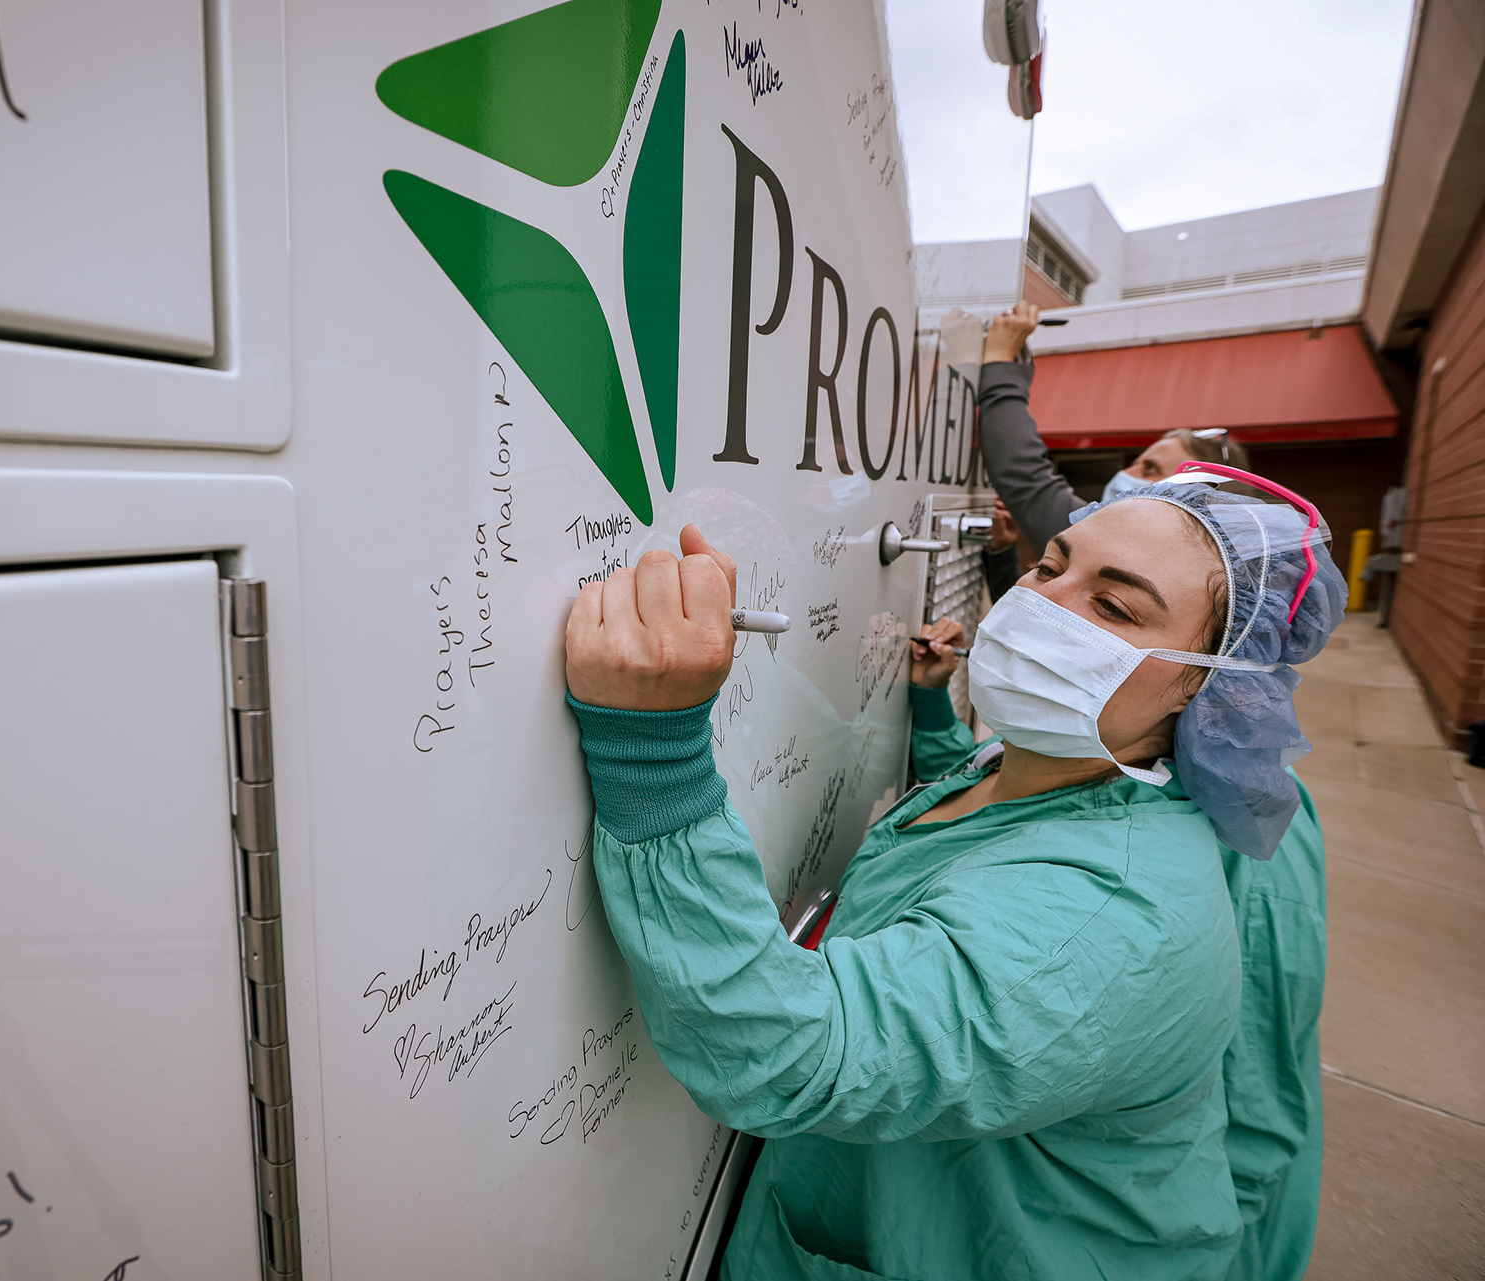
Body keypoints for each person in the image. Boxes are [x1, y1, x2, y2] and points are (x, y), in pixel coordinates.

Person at [563, 472, 1345, 1280]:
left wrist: (652, 752)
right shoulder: (1045, 761)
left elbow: (790, 1053)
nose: (1042, 604)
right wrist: (933, 710)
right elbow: (985, 837)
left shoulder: (1115, 916)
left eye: (1113, 606)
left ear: (1207, 689)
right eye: (1050, 566)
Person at [978, 303, 1324, 1281]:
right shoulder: (1194, 779)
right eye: (1051, 567)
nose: (1136, 486)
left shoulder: (1235, 849)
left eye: (1164, 470)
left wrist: (1003, 364)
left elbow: (1252, 1091)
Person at [977, 301, 1252, 553]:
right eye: (1137, 463)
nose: (1125, 473)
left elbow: (1026, 480)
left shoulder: (1120, 547)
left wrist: (1001, 361)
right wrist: (1002, 552)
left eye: (1150, 470)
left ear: (1197, 503)